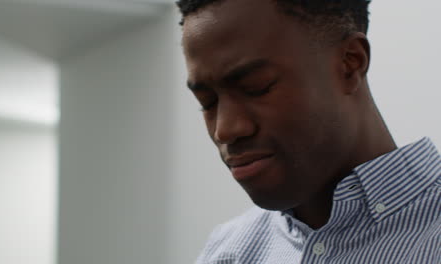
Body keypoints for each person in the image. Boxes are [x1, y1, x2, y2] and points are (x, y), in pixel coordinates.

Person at [176, 0, 440, 263]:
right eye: (207, 102)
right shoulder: (226, 252)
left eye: (256, 87)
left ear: (350, 63)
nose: (225, 130)